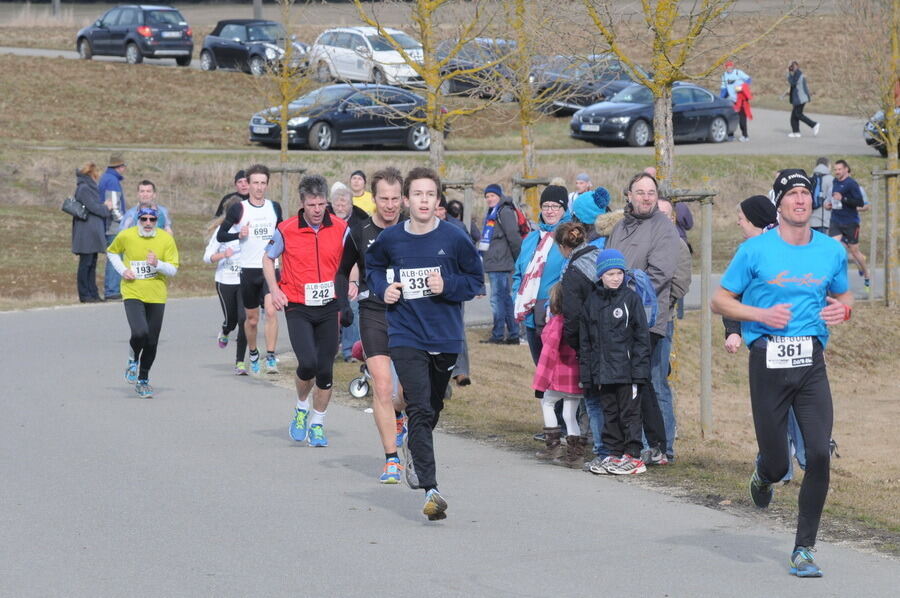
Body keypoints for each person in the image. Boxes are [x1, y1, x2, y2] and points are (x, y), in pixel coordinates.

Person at [711, 169, 852, 578]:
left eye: (806, 193)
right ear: (779, 203)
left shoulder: (830, 250)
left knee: (820, 454)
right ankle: (764, 473)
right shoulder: (755, 251)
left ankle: (803, 549)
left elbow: (843, 295)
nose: (800, 200)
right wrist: (759, 314)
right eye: (792, 194)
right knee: (777, 464)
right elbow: (720, 301)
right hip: (767, 362)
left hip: (810, 362)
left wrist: (844, 309)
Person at [366, 166, 483, 521]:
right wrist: (382, 289)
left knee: (431, 408)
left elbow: (475, 282)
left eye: (430, 195)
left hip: (445, 337)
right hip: (405, 334)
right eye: (417, 194)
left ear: (437, 200)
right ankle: (431, 489)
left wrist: (446, 286)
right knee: (418, 404)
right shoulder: (391, 239)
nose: (423, 200)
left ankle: (415, 451)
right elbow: (372, 268)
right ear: (406, 199)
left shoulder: (455, 238)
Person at [264, 174, 352, 449]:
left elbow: (352, 261)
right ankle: (301, 407)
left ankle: (317, 423)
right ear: (302, 203)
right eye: (312, 204)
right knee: (308, 363)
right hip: (298, 306)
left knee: (325, 371)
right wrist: (275, 290)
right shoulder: (286, 229)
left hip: (329, 306)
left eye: (321, 204)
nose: (317, 210)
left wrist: (354, 282)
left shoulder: (340, 228)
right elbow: (268, 259)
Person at [336, 167, 410, 483]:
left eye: (395, 199)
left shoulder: (414, 229)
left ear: (402, 199)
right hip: (373, 312)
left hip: (409, 316)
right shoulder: (360, 230)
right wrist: (343, 305)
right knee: (381, 386)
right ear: (373, 198)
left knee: (405, 391)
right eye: (384, 199)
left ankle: (399, 415)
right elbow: (341, 272)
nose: (390, 205)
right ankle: (391, 459)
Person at [607, 172, 679, 465]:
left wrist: (621, 297)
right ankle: (628, 445)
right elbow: (607, 265)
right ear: (629, 195)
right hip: (616, 317)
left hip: (646, 319)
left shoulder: (664, 229)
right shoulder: (620, 227)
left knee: (644, 380)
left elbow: (659, 275)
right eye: (640, 192)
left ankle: (658, 445)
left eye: (651, 192)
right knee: (623, 381)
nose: (646, 197)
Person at [580, 248, 652, 475]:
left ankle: (633, 456)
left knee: (630, 414)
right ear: (601, 275)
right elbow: (586, 342)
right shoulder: (592, 302)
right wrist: (588, 374)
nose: (615, 278)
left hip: (628, 372)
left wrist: (640, 371)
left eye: (619, 273)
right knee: (609, 413)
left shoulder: (631, 300)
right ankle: (613, 454)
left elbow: (642, 338)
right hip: (603, 372)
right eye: (610, 274)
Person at [512, 185, 572, 439]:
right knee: (542, 368)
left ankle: (566, 425)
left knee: (559, 370)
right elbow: (519, 272)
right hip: (531, 313)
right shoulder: (532, 239)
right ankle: (552, 425)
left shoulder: (568, 236)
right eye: (546, 206)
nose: (550, 211)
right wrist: (517, 296)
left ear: (564, 210)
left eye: (555, 207)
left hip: (555, 313)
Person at [217, 164, 283, 375]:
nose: (259, 187)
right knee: (251, 320)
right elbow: (221, 236)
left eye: (263, 183)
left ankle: (271, 356)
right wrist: (239, 235)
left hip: (270, 269)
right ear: (248, 184)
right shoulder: (239, 208)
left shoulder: (274, 207)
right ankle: (253, 352)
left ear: (267, 185)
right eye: (255, 183)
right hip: (248, 270)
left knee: (272, 311)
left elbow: (282, 234)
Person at [107, 207, 179, 398]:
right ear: (138, 219)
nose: (148, 223)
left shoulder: (165, 239)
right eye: (144, 219)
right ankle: (132, 358)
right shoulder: (127, 235)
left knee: (152, 341)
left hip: (156, 294)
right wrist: (123, 270)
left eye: (152, 219)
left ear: (157, 221)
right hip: (132, 291)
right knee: (140, 332)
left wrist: (158, 264)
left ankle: (143, 380)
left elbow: (173, 269)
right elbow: (112, 253)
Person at [653, 198, 692, 462]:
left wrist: (659, 305)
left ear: (674, 218)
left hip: (662, 320)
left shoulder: (678, 246)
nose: (662, 218)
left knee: (658, 382)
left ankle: (666, 446)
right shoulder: (647, 240)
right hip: (637, 322)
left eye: (667, 214)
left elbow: (680, 284)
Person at [532, 283, 585, 468]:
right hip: (578, 379)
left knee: (547, 402)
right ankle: (575, 454)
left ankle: (552, 446)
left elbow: (547, 356)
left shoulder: (557, 324)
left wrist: (540, 384)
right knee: (570, 414)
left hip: (560, 377)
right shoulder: (580, 321)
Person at [437, 194, 480, 387]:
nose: (437, 213)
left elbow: (471, 261)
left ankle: (461, 371)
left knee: (456, 329)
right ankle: (442, 381)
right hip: (429, 290)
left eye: (440, 209)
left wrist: (468, 285)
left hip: (453, 286)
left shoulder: (457, 229)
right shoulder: (419, 228)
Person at [478, 183, 522, 344]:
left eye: (492, 196)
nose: (489, 199)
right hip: (494, 262)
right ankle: (513, 334)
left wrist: (519, 259)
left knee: (498, 300)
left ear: (499, 196)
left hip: (502, 263)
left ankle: (499, 335)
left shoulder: (504, 212)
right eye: (487, 196)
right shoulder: (492, 213)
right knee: (503, 299)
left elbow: (514, 236)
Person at [204, 215, 248, 375]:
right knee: (232, 321)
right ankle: (225, 330)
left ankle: (240, 362)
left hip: (244, 281)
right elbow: (207, 257)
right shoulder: (221, 232)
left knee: (244, 319)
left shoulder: (249, 229)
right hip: (225, 281)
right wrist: (223, 255)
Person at [331, 181, 364, 362]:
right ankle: (330, 346)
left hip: (351, 270)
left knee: (352, 303)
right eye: (337, 204)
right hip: (330, 272)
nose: (341, 207)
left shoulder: (358, 222)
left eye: (344, 204)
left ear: (351, 205)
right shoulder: (326, 220)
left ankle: (350, 350)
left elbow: (356, 260)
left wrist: (354, 283)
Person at [71, 162, 111, 303]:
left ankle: (93, 293)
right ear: (91, 173)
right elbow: (94, 208)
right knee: (86, 263)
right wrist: (106, 208)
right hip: (86, 232)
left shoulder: (87, 187)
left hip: (90, 231)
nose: (97, 177)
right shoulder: (84, 188)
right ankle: (85, 294)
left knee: (92, 263)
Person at [827, 159, 870, 290]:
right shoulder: (834, 182)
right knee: (833, 247)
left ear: (846, 169)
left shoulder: (852, 184)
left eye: (839, 169)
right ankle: (832, 280)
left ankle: (867, 274)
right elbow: (832, 199)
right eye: (835, 169)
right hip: (836, 220)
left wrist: (843, 199)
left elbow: (860, 203)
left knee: (854, 251)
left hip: (851, 222)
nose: (837, 172)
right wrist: (828, 205)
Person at [98, 153, 127, 300]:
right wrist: (125, 223)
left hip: (108, 225)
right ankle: (112, 290)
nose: (124, 169)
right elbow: (114, 207)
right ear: (118, 167)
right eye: (123, 166)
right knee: (115, 257)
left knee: (113, 256)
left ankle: (112, 289)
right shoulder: (112, 181)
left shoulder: (106, 178)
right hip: (113, 226)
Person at [786, 61, 820, 138]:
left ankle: (814, 124)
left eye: (792, 67)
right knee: (794, 116)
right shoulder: (797, 74)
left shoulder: (798, 73)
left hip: (800, 99)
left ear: (796, 66)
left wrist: (788, 74)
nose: (791, 68)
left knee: (798, 114)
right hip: (798, 98)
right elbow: (795, 86)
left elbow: (793, 83)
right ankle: (796, 132)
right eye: (790, 67)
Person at [809, 157, 834, 234]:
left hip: (810, 220)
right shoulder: (831, 179)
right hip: (825, 219)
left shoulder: (810, 178)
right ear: (828, 165)